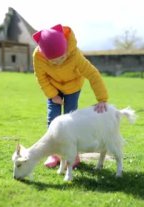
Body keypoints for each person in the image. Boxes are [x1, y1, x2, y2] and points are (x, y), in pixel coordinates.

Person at [32, 24, 109, 168]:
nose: (58, 62)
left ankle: (73, 155)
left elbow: (93, 74)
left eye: (61, 58)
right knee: (53, 120)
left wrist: (102, 99)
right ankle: (54, 155)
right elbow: (41, 77)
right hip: (53, 86)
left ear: (66, 49)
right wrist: (53, 95)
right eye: (53, 61)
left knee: (70, 120)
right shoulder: (38, 56)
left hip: (73, 87)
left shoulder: (75, 54)